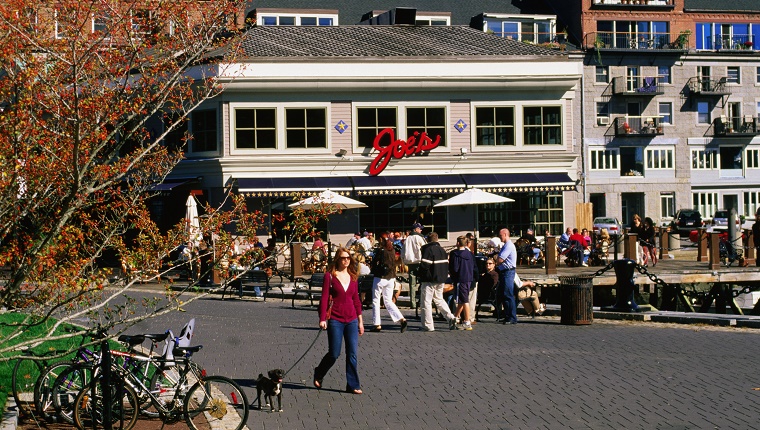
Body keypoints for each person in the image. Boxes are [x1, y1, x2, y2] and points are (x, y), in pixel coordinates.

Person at [314, 247, 363, 395]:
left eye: (348, 257)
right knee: (334, 353)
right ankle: (319, 372)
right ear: (338, 259)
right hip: (335, 319)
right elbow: (324, 298)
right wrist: (322, 318)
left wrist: (360, 321)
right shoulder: (330, 276)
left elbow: (356, 300)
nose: (346, 260)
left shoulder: (353, 276)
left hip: (352, 319)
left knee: (352, 353)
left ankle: (352, 384)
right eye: (343, 258)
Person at [418, 232, 457, 332]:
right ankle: (451, 317)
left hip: (429, 279)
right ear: (437, 239)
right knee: (439, 299)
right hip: (441, 279)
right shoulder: (442, 250)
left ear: (427, 240)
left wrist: (421, 276)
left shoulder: (428, 249)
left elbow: (424, 266)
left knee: (426, 302)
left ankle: (428, 325)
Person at [370, 235, 407, 333]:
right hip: (391, 278)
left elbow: (374, 263)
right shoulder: (392, 251)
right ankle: (401, 319)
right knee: (388, 301)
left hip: (380, 277)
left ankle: (377, 324)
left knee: (376, 300)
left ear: (381, 240)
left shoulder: (380, 251)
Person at [449, 235, 475, 330]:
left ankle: (467, 321)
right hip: (468, 278)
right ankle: (455, 318)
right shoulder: (469, 254)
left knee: (464, 300)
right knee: (461, 299)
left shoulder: (455, 254)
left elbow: (455, 268)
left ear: (458, 243)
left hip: (460, 278)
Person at [495, 228, 518, 324]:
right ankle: (507, 315)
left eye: (500, 235)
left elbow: (500, 259)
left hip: (508, 272)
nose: (500, 237)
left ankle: (512, 317)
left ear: (505, 234)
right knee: (504, 294)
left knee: (508, 294)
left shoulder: (509, 246)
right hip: (504, 271)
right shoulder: (505, 245)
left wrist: (496, 261)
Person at [401, 222, 426, 310]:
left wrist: (404, 261)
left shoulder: (407, 239)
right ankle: (423, 301)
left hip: (410, 263)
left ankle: (413, 302)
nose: (421, 230)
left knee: (412, 284)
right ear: (416, 229)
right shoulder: (420, 238)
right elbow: (425, 249)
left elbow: (403, 251)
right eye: (420, 228)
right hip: (419, 262)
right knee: (423, 282)